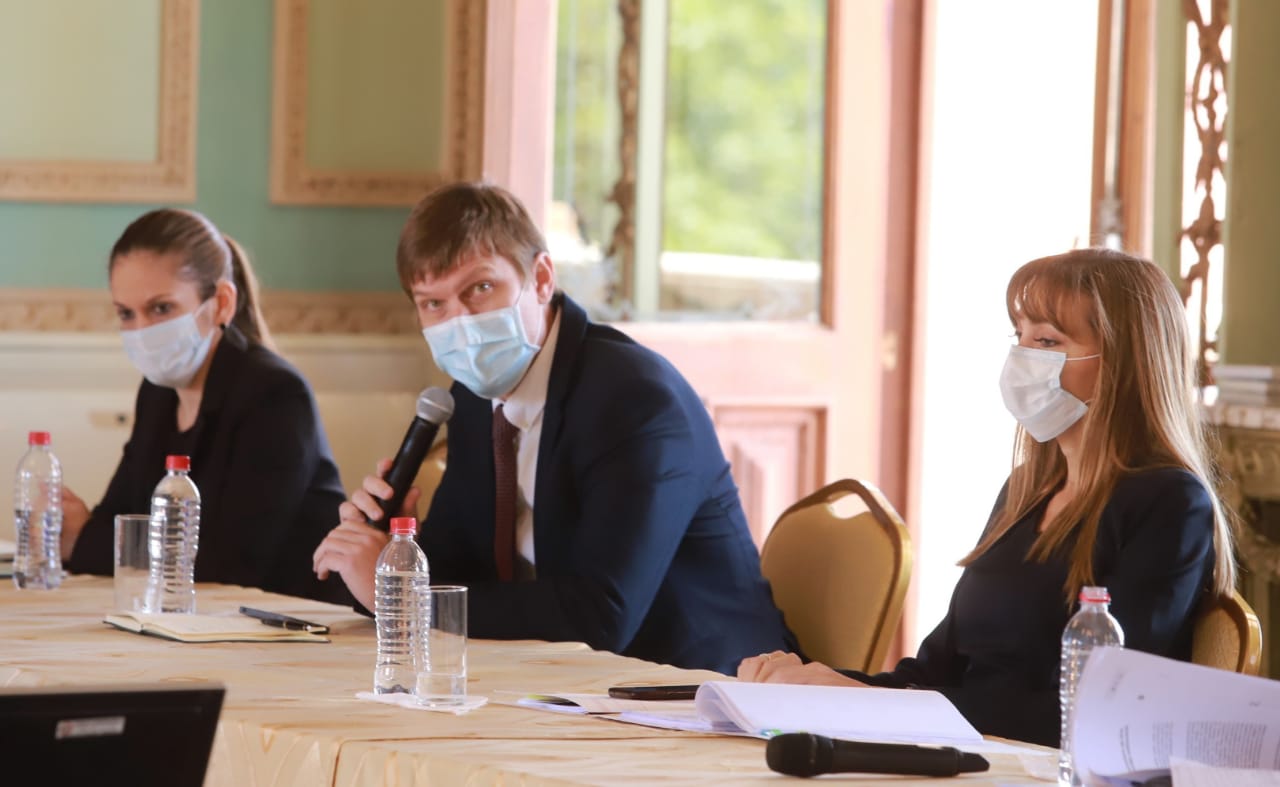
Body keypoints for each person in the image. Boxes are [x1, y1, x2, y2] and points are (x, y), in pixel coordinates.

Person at [738, 248, 1237, 747]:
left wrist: (869, 700)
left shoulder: (1169, 503)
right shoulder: (1025, 492)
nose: (1022, 356)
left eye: (1045, 340)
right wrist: (819, 685)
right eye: (1018, 336)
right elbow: (934, 673)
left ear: (1123, 364)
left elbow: (1093, 711)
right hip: (973, 755)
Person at [312, 182, 794, 674]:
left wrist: (404, 599)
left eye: (480, 289)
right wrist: (392, 554)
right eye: (433, 304)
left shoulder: (634, 400)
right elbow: (459, 577)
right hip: (555, 688)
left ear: (541, 279)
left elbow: (600, 615)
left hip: (703, 692)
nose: (459, 323)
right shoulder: (475, 401)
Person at [61, 208, 351, 604]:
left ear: (221, 304)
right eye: (126, 313)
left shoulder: (276, 395)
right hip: (194, 622)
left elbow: (230, 563)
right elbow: (122, 519)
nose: (142, 331)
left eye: (161, 308)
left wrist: (82, 539)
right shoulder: (158, 392)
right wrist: (76, 529)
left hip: (291, 625)